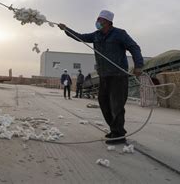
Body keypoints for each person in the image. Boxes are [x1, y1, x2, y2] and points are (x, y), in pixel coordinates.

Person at [58, 10, 143, 144]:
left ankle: (119, 134)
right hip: (104, 75)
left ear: (108, 22)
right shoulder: (96, 35)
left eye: (100, 20)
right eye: (97, 19)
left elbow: (134, 47)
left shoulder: (120, 34)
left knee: (116, 106)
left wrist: (139, 65)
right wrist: (66, 29)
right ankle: (114, 129)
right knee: (104, 103)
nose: (97, 22)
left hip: (118, 75)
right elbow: (80, 37)